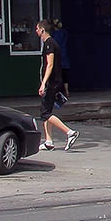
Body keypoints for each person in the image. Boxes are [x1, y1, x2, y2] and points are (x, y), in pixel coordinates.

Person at [35, 19, 79, 151]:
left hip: (51, 83)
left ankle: (70, 132)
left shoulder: (49, 44)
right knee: (47, 111)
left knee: (45, 113)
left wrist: (43, 83)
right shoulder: (50, 43)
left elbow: (50, 64)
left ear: (42, 30)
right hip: (53, 82)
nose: (36, 31)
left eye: (37, 29)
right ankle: (49, 141)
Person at [50, 19, 71, 96]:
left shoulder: (53, 34)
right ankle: (67, 91)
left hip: (57, 55)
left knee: (57, 74)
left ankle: (56, 91)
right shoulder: (64, 33)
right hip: (64, 55)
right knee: (65, 74)